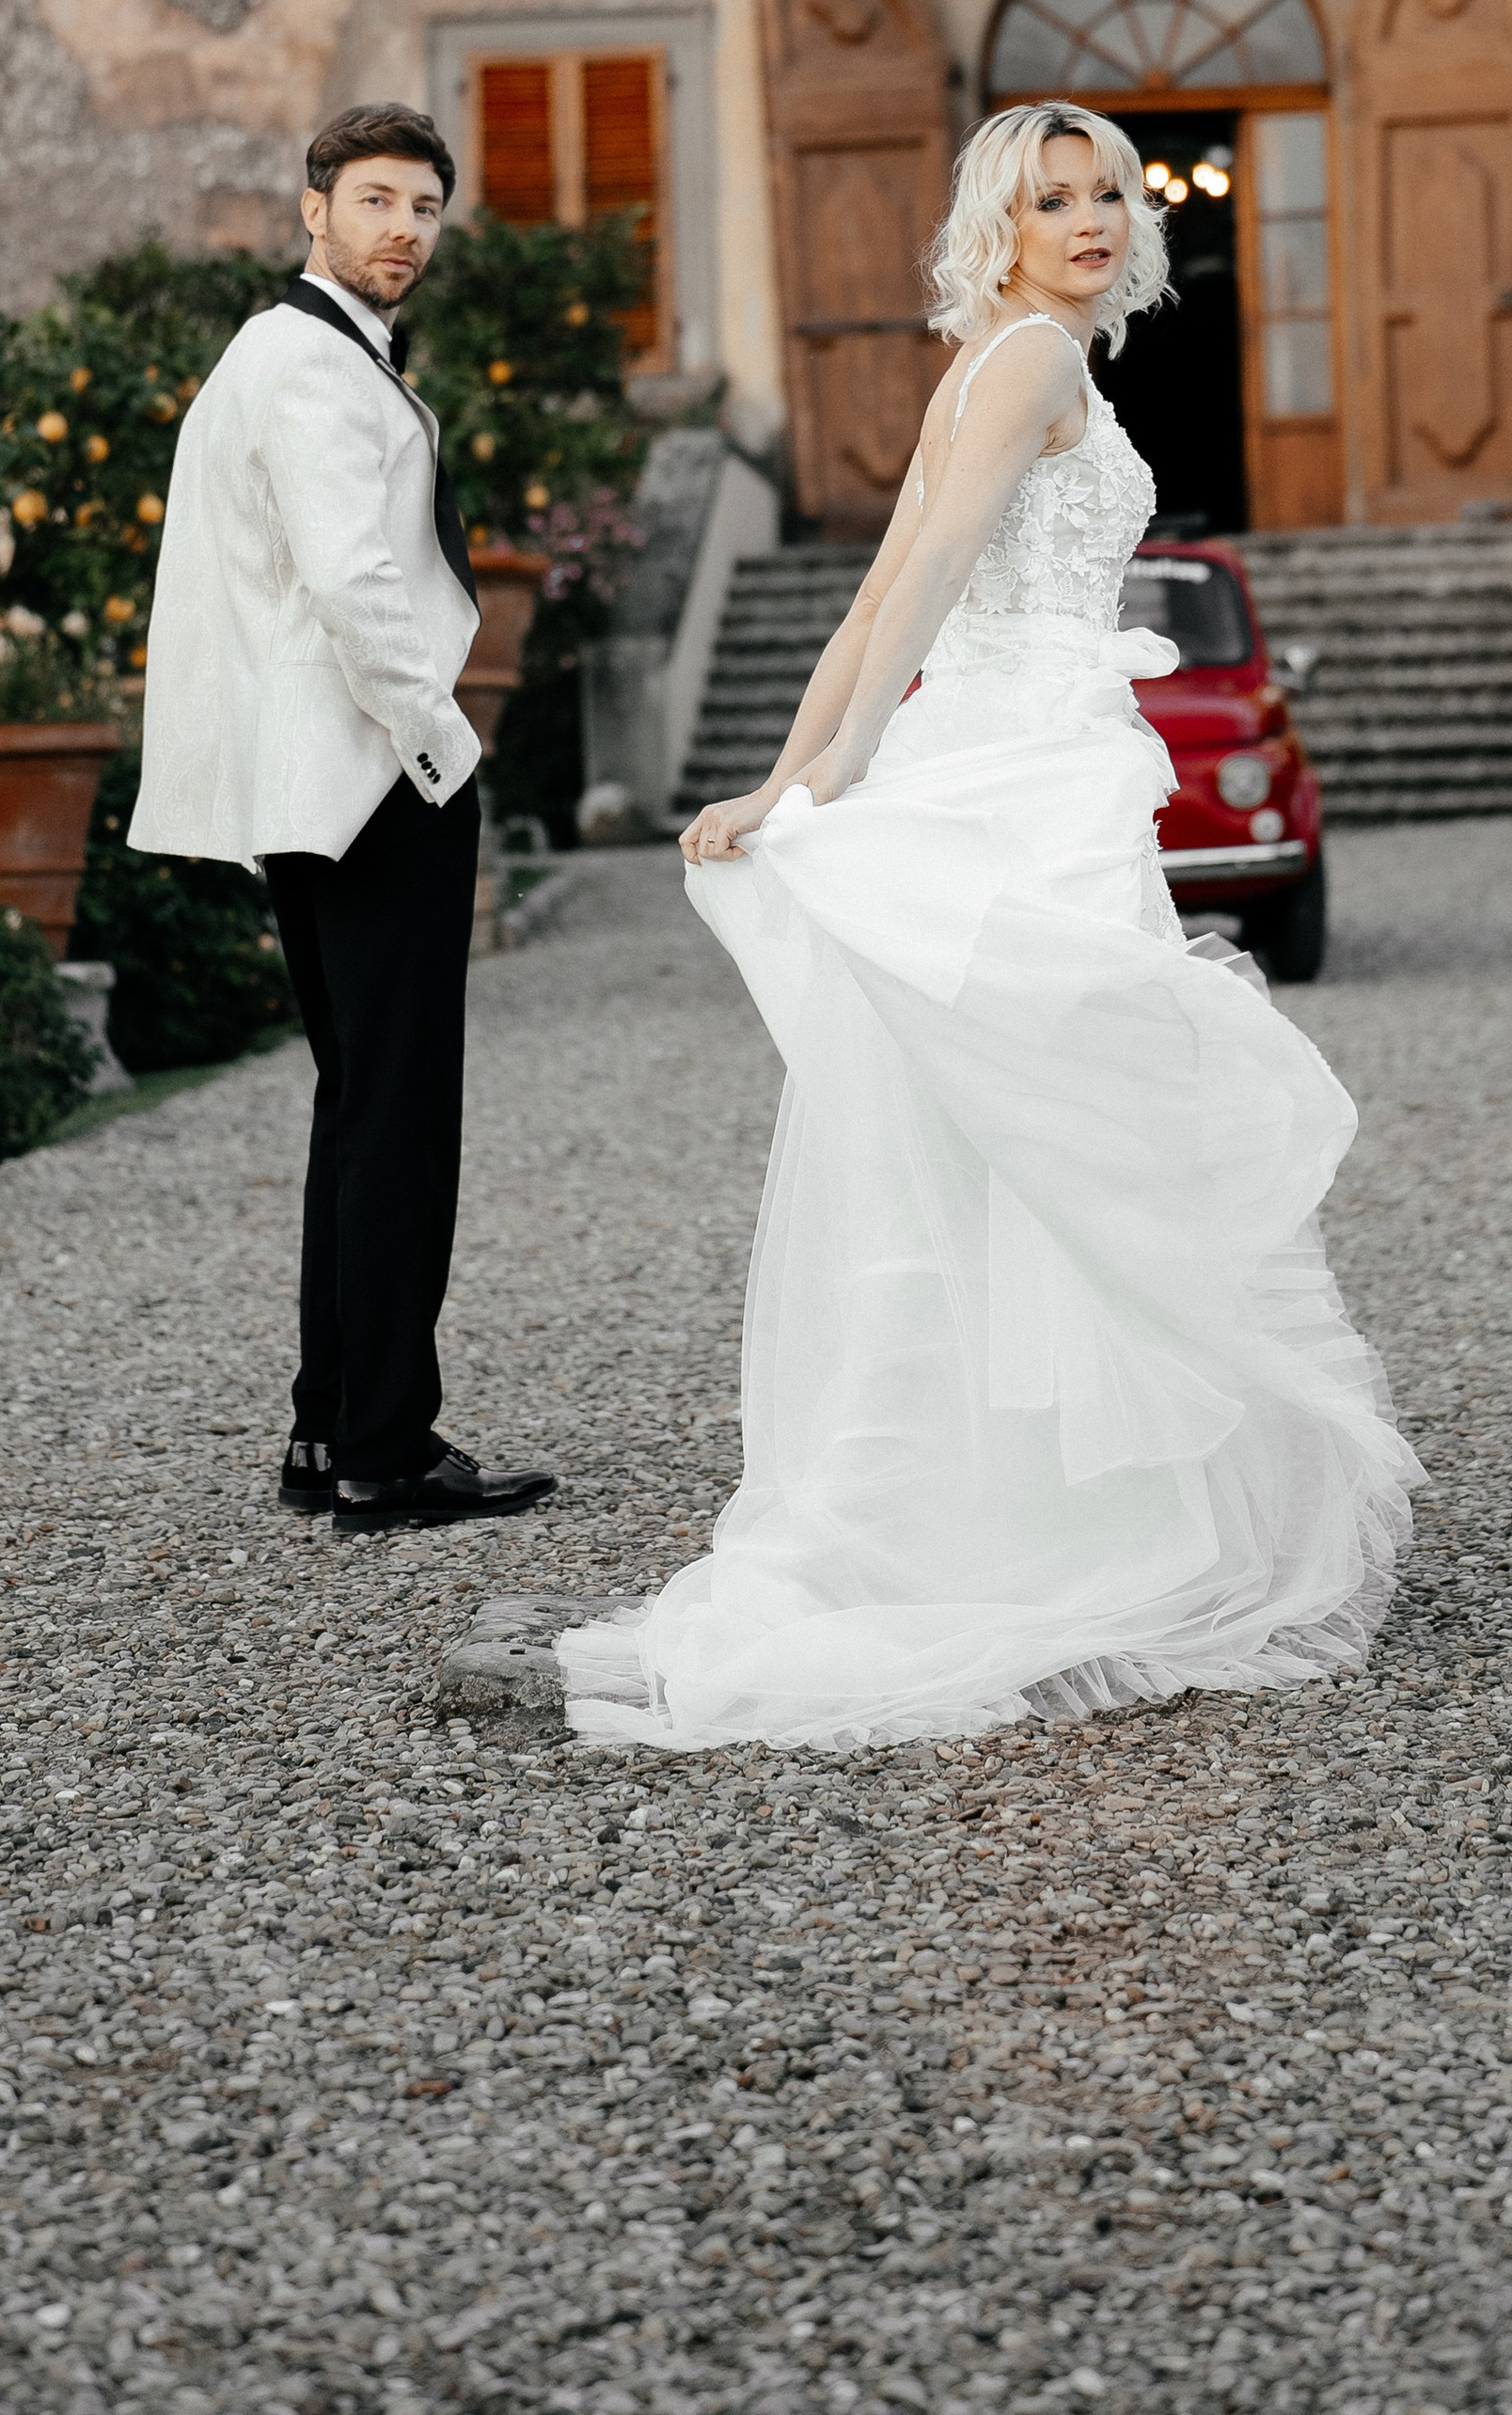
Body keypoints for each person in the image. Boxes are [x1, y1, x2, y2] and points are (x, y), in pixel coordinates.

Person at [556, 103, 1420, 1748]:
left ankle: (1033, 1500)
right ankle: (1065, 1523)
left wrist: (796, 777)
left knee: (1022, 1137)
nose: (1090, 217)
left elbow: (877, 591)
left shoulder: (996, 364)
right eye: (1054, 198)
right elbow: (927, 573)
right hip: (1021, 776)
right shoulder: (1025, 364)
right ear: (1002, 223)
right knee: (1064, 1131)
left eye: (1107, 192)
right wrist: (834, 775)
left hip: (1040, 765)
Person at [132, 102, 558, 1541]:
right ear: (312, 206)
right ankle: (388, 1446)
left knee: (356, 1106)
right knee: (400, 1116)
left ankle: (332, 1429)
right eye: (378, 200)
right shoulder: (308, 363)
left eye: (427, 208)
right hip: (375, 779)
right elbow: (353, 584)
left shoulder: (292, 352)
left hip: (324, 785)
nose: (405, 231)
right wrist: (449, 746)